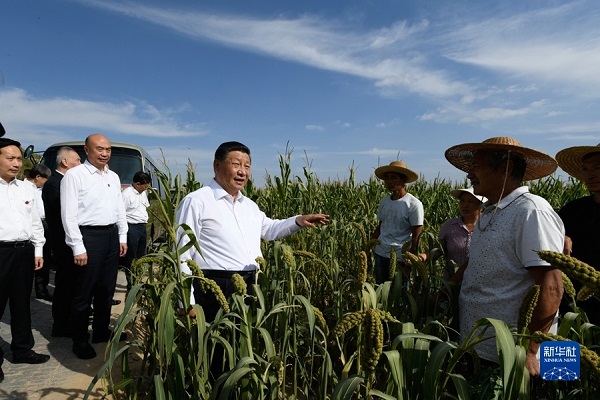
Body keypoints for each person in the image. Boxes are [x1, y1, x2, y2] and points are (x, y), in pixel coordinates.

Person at [444, 136, 564, 377]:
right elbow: (477, 261)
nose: (469, 175)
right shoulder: (489, 211)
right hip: (481, 345)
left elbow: (551, 287)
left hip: (512, 353)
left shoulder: (531, 211)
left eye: (476, 167)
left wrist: (531, 350)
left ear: (507, 167)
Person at [175, 141, 329, 323]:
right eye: (236, 164)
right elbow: (182, 254)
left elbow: (269, 230)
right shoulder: (197, 201)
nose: (243, 171)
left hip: (250, 286)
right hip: (215, 288)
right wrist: (186, 302)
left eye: (247, 166)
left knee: (242, 345)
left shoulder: (249, 205)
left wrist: (298, 221)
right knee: (216, 348)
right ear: (217, 165)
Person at [60, 133, 128, 360]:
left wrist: (122, 236)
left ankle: (100, 331)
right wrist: (77, 246)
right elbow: (68, 214)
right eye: (99, 149)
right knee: (83, 291)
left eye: (108, 149)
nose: (105, 153)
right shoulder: (75, 176)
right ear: (87, 151)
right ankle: (79, 340)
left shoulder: (114, 176)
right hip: (88, 236)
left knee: (106, 288)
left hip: (110, 236)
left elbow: (120, 209)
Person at [0, 138, 50, 384]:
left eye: (19, 158)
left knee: (22, 304)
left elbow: (34, 223)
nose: (16, 163)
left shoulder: (26, 189)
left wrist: (38, 250)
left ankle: (22, 350)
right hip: (1, 252)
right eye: (10, 158)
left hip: (24, 251)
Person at [555, 143, 600, 324]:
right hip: (573, 309)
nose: (590, 175)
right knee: (566, 351)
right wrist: (560, 238)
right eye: (585, 169)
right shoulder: (574, 210)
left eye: (597, 168)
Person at [42, 146, 81, 337]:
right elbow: (64, 214)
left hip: (69, 241)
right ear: (65, 162)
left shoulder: (65, 181)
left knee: (72, 283)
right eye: (78, 160)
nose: (80, 164)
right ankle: (61, 325)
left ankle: (70, 319)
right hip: (63, 242)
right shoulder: (54, 184)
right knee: (65, 284)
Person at [371, 161, 424, 284]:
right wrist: (368, 248)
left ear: (404, 180)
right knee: (380, 291)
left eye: (394, 178)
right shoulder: (384, 202)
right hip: (381, 253)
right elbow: (380, 227)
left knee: (399, 296)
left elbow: (416, 238)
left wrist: (409, 265)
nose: (389, 182)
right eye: (387, 178)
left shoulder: (413, 204)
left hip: (400, 258)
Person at [438, 187, 486, 284]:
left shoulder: (487, 226)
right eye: (462, 201)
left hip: (480, 284)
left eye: (470, 202)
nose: (465, 205)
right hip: (451, 285)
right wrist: (422, 257)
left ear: (480, 205)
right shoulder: (449, 226)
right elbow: (438, 249)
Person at [23, 164, 53, 301]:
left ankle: (41, 290)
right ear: (38, 177)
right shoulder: (23, 189)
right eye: (45, 179)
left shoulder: (39, 190)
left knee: (43, 258)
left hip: (43, 225)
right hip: (28, 229)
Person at [121, 171, 151, 292]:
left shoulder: (143, 193)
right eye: (145, 185)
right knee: (131, 258)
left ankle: (138, 282)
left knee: (140, 257)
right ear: (137, 184)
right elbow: (121, 214)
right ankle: (131, 285)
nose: (146, 187)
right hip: (131, 227)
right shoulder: (127, 194)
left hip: (142, 227)